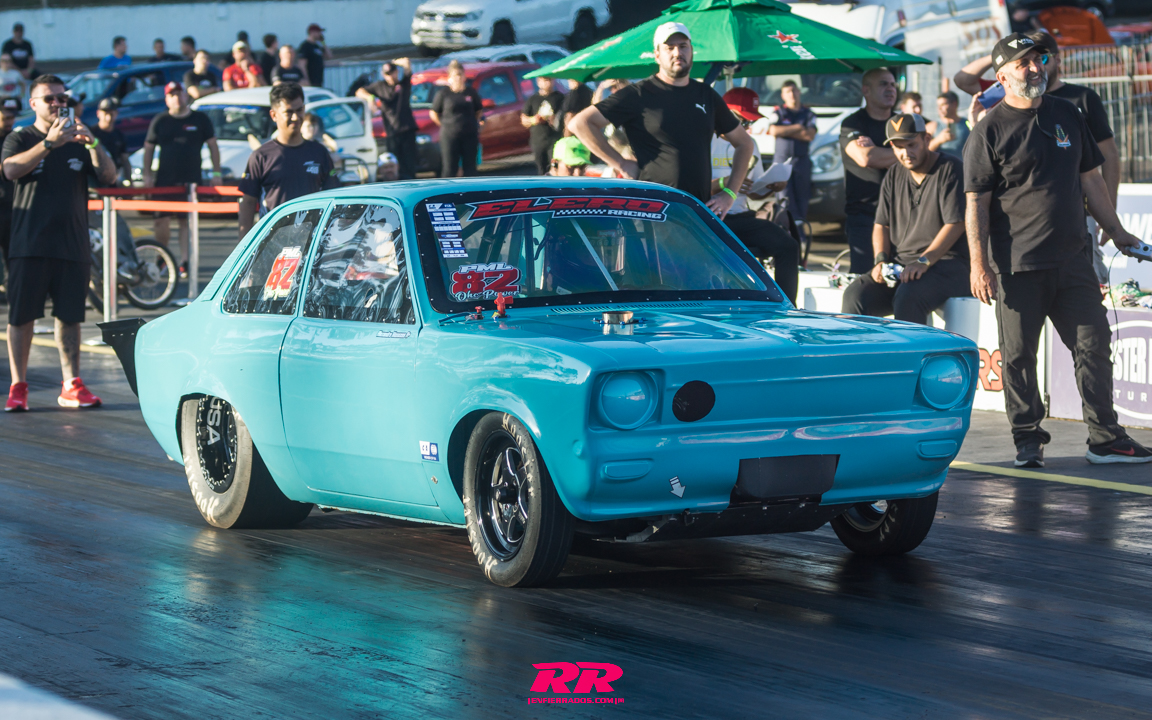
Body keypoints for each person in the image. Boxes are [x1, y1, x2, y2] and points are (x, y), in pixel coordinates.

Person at [963, 33, 1151, 467]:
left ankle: (1105, 438)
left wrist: (1117, 230)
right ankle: (1028, 439)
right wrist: (978, 264)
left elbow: (1091, 179)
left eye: (1039, 60)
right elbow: (976, 204)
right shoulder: (989, 130)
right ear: (1002, 76)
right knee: (1018, 357)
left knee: (1094, 345)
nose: (1035, 68)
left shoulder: (1068, 112)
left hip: (1072, 260)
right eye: (1024, 63)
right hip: (1018, 265)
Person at [2, 75, 116, 412]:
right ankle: (18, 386)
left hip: (72, 243)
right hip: (29, 243)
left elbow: (109, 176)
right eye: (49, 98)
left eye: (61, 98)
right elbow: (10, 170)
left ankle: (71, 384)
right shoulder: (20, 137)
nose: (57, 103)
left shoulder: (79, 141)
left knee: (69, 317)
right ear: (33, 104)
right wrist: (49, 144)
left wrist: (93, 143)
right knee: (22, 317)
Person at [571, 23, 755, 221]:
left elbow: (745, 143)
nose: (677, 53)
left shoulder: (706, 95)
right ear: (657, 55)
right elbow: (580, 123)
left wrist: (730, 194)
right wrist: (621, 163)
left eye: (683, 46)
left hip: (697, 215)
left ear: (691, 51)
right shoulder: (638, 94)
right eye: (669, 47)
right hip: (652, 212)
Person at [841, 112, 970, 324]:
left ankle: (912, 347)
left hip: (947, 264)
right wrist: (881, 261)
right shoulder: (894, 174)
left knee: (908, 296)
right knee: (856, 295)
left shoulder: (951, 168)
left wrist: (924, 261)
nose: (905, 153)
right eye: (898, 147)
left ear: (926, 139)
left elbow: (956, 223)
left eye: (911, 145)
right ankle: (861, 346)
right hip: (903, 265)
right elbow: (881, 224)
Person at [711, 88, 799, 303]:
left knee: (788, 245)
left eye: (751, 122)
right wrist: (726, 183)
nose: (747, 128)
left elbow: (754, 192)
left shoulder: (750, 144)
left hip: (741, 216)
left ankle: (786, 307)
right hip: (711, 217)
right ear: (725, 114)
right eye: (743, 121)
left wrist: (770, 187)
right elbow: (691, 189)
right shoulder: (706, 141)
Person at [142, 82, 222, 278]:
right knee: (161, 221)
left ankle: (185, 262)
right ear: (167, 99)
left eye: (179, 93)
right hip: (164, 180)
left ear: (186, 96)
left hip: (190, 180)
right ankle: (162, 258)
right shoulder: (160, 120)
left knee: (185, 222)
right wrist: (147, 174)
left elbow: (213, 145)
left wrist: (216, 173)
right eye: (172, 95)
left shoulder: (200, 119)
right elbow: (149, 148)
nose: (177, 98)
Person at [238, 83, 338, 238]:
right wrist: (243, 244)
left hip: (311, 242)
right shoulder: (261, 156)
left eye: (299, 110)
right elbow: (248, 203)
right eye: (289, 112)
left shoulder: (319, 153)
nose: (295, 117)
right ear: (274, 115)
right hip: (273, 242)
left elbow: (333, 197)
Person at [839, 67, 899, 273]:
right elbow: (866, 158)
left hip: (901, 215)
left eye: (893, 84)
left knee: (902, 279)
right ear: (866, 90)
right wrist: (903, 153)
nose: (891, 89)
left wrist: (881, 152)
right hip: (865, 216)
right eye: (883, 84)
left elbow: (924, 151)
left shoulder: (901, 123)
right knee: (866, 279)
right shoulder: (852, 123)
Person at [356, 58, 417, 179]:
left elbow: (407, 63)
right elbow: (359, 92)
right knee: (392, 165)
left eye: (392, 73)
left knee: (409, 165)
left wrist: (394, 62)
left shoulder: (403, 83)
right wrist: (370, 98)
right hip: (391, 132)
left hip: (407, 130)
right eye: (387, 74)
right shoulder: (380, 86)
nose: (390, 77)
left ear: (396, 72)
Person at [768, 80, 817, 228]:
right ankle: (786, 231)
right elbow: (773, 130)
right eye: (788, 91)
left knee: (802, 198)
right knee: (784, 198)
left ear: (799, 92)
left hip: (801, 161)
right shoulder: (778, 112)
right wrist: (798, 127)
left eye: (794, 90)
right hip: (782, 162)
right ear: (783, 95)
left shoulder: (808, 113)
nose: (792, 94)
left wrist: (786, 131)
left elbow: (809, 135)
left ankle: (799, 233)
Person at [430, 61, 483, 178]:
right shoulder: (443, 94)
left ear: (464, 76)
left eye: (460, 74)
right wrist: (444, 125)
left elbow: (478, 110)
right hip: (450, 136)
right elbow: (434, 113)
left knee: (470, 168)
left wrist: (473, 123)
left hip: (469, 135)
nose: (458, 78)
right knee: (449, 168)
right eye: (455, 75)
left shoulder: (471, 93)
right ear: (450, 77)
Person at [521, 75, 564, 175]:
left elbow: (566, 115)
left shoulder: (559, 97)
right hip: (538, 140)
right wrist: (534, 120)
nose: (547, 83)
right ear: (538, 82)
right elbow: (524, 119)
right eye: (544, 80)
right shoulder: (533, 99)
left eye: (549, 80)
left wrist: (555, 119)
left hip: (555, 139)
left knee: (555, 168)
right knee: (542, 169)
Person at [0, 97, 19, 284]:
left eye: (12, 118)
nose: (9, 122)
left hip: (13, 206)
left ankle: (11, 288)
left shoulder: (16, 139)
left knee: (13, 255)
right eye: (5, 118)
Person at [90, 98, 129, 181]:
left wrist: (129, 180)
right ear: (98, 113)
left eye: (111, 114)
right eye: (105, 114)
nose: (108, 118)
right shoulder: (91, 134)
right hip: (95, 177)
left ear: (116, 114)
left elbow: (124, 158)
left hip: (113, 177)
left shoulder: (119, 135)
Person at [929, 91, 969, 160]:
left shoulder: (967, 123)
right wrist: (938, 140)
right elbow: (922, 152)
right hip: (941, 166)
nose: (939, 108)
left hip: (962, 165)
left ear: (954, 104)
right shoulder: (932, 126)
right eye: (938, 105)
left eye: (943, 104)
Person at [298, 24, 331, 88]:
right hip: (311, 79)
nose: (320, 34)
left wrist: (323, 42)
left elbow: (329, 56)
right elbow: (302, 65)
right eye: (318, 32)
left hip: (319, 79)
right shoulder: (305, 46)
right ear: (312, 32)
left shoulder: (317, 46)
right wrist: (306, 79)